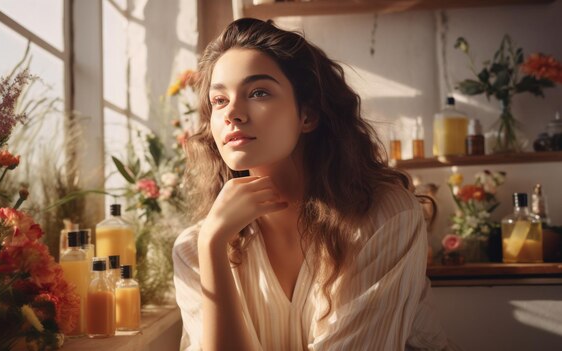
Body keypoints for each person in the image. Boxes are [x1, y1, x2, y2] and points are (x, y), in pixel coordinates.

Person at [173, 17, 456, 350]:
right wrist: (212, 246)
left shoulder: (384, 218)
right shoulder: (196, 247)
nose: (232, 113)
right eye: (218, 100)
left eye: (258, 92)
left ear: (307, 115)